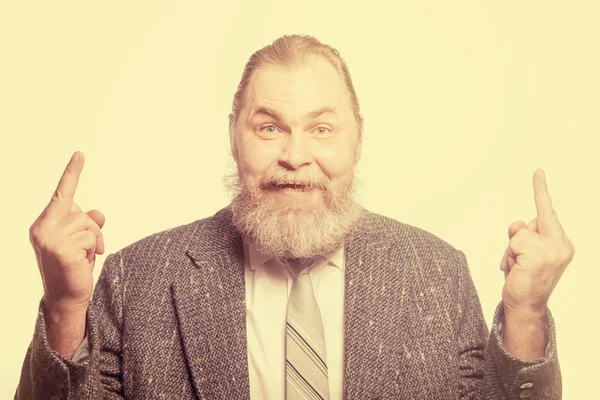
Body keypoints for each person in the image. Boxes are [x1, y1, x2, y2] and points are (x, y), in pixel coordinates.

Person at [16, 35, 574, 399]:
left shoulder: (435, 273)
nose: (295, 156)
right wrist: (66, 308)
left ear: (358, 141)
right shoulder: (138, 277)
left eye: (322, 128)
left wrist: (525, 313)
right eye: (269, 127)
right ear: (234, 136)